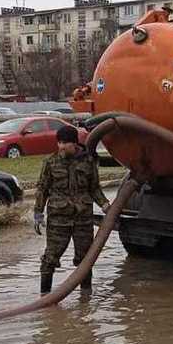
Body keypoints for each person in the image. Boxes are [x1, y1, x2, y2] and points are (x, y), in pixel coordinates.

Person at [34, 124, 110, 294]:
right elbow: (42, 189)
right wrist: (38, 213)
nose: (61, 146)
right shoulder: (50, 162)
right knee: (49, 259)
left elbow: (94, 188)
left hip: (83, 219)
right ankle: (44, 295)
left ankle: (85, 296)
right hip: (58, 219)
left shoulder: (88, 162)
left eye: (65, 143)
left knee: (85, 260)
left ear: (74, 144)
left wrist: (105, 205)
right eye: (59, 142)